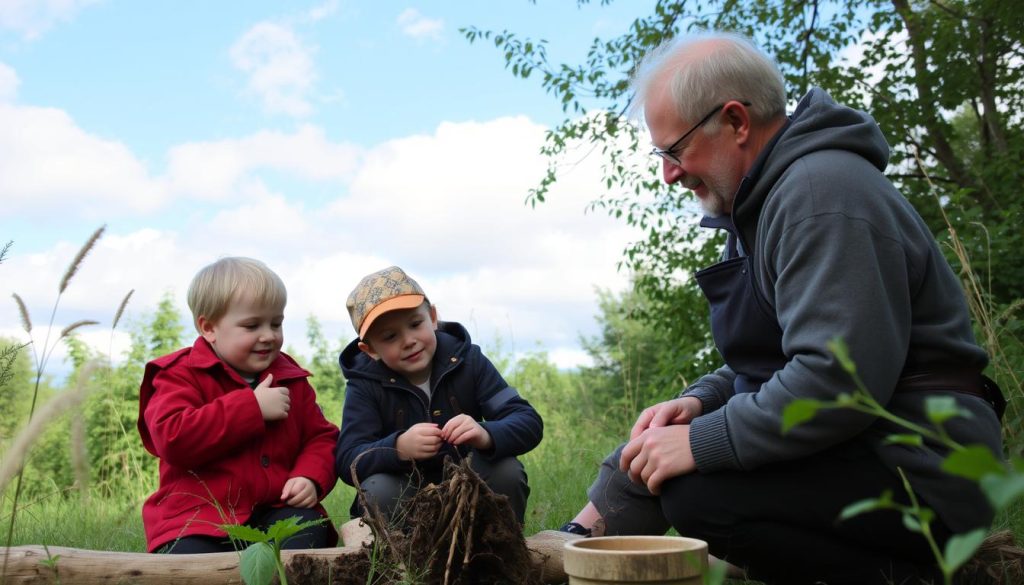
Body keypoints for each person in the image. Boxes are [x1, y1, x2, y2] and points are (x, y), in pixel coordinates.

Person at [559, 32, 1005, 585]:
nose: (669, 174)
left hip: (928, 466)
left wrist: (702, 443)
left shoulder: (821, 196)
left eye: (674, 151)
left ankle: (924, 576)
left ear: (736, 122)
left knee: (697, 491)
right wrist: (700, 403)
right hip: (866, 451)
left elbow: (836, 382)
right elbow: (772, 360)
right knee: (673, 445)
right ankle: (572, 548)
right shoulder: (764, 204)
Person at [138, 257, 340, 554]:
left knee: (308, 529)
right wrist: (252, 408)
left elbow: (321, 437)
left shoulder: (290, 377)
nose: (268, 335)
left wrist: (309, 476)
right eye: (252, 325)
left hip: (275, 508)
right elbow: (172, 437)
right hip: (198, 518)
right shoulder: (180, 374)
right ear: (209, 328)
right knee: (188, 561)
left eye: (276, 323)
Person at [335, 265, 543, 525]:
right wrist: (398, 447)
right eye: (390, 336)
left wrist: (485, 434)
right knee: (378, 490)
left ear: (433, 317)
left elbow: (527, 420)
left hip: (467, 485)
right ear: (370, 350)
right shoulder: (364, 384)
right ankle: (401, 564)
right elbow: (347, 458)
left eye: (415, 324)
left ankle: (498, 557)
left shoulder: (469, 361)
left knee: (507, 471)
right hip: (406, 495)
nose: (409, 340)